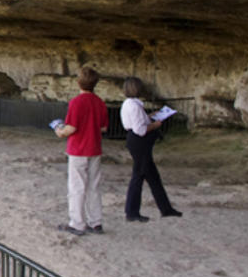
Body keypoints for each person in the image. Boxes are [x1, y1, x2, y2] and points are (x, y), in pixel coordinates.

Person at [120, 76, 183, 222]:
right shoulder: (134, 106)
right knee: (138, 176)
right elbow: (140, 130)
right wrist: (156, 124)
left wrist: (150, 116)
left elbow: (137, 122)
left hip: (136, 142)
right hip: (139, 142)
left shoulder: (129, 104)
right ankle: (132, 212)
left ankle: (166, 208)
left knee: (153, 177)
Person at [54, 66, 108, 236]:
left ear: (79, 83)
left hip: (78, 149)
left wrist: (59, 131)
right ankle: (96, 222)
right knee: (94, 186)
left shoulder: (76, 102)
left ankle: (77, 223)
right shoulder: (99, 102)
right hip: (94, 148)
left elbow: (71, 128)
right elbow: (103, 128)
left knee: (77, 187)